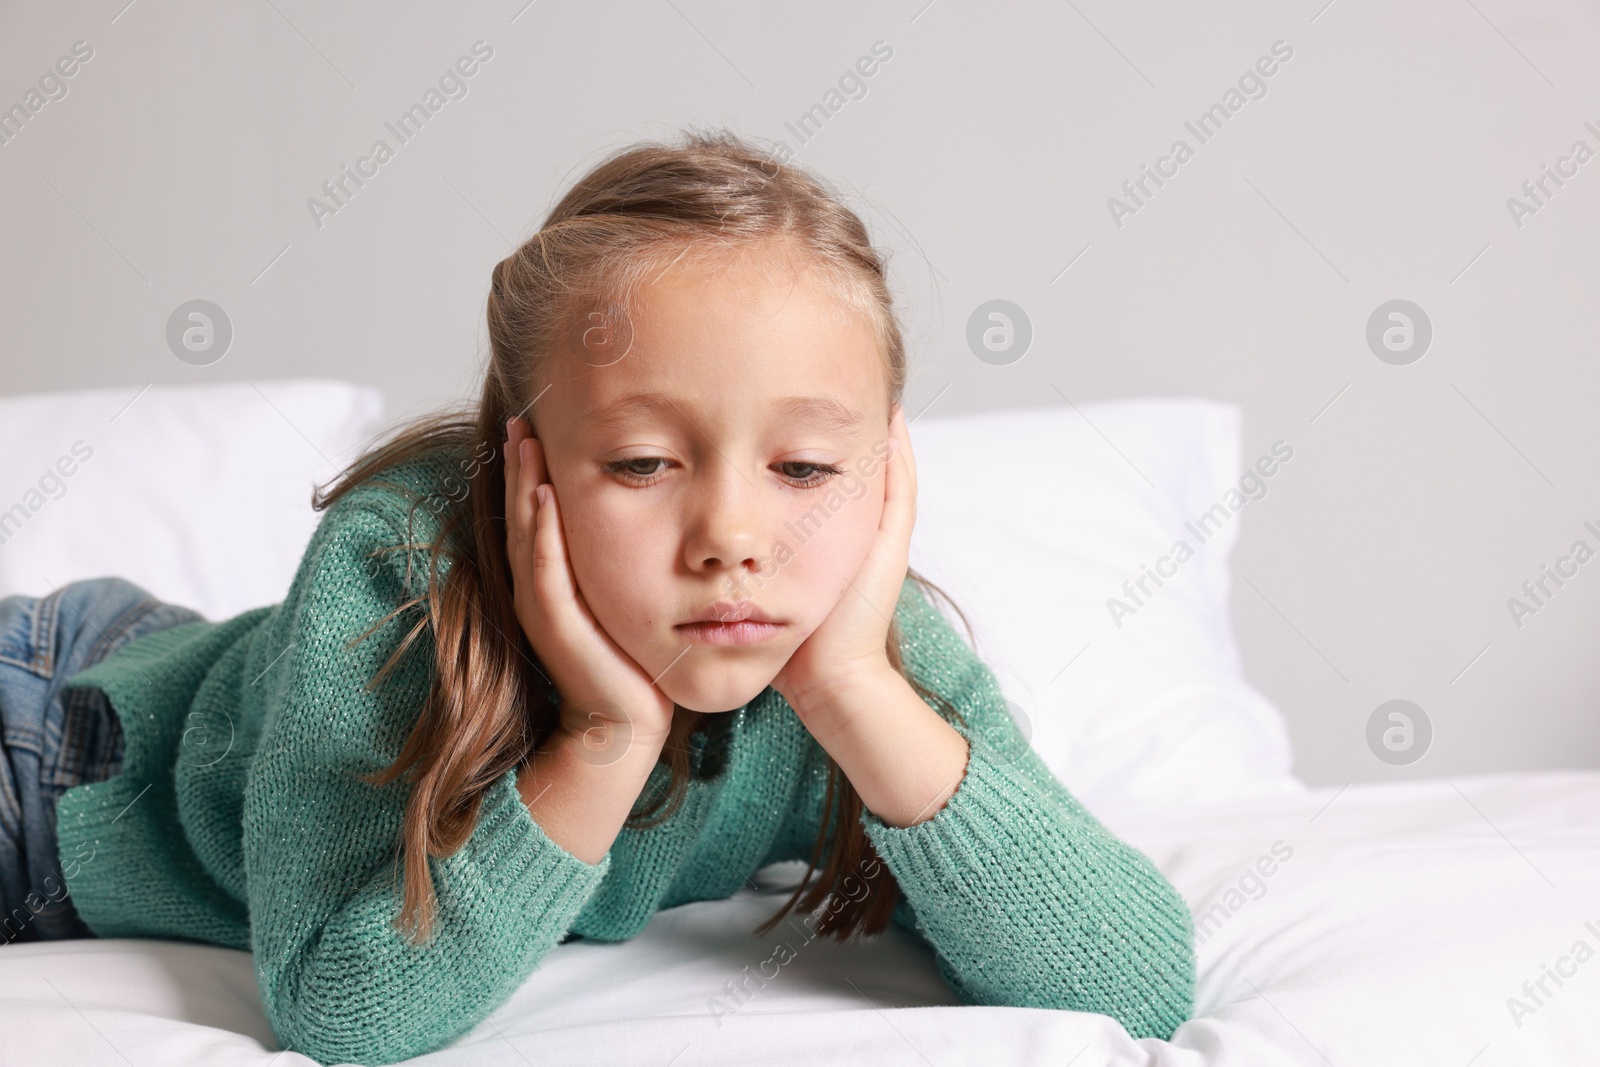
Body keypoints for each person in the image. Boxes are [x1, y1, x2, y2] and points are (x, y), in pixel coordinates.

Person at [0, 128, 1196, 1065]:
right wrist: (609, 734)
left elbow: (1134, 981)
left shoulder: (854, 643)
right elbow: (341, 1009)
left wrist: (848, 684)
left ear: (884, 480)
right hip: (66, 740)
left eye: (806, 469)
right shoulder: (398, 575)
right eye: (640, 464)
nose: (732, 537)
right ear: (526, 466)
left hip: (182, 670)